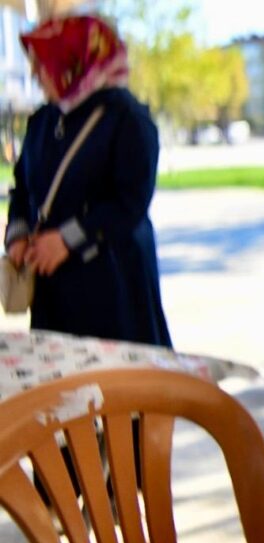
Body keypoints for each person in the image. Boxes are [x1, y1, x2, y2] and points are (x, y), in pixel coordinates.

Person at [3, 15, 171, 348]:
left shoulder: (128, 119)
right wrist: (18, 235)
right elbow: (23, 187)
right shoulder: (44, 120)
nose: (36, 75)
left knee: (118, 390)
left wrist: (66, 240)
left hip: (113, 288)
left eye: (43, 64)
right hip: (54, 291)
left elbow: (130, 204)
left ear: (73, 61)